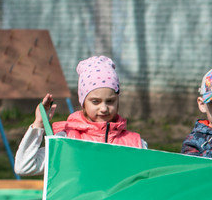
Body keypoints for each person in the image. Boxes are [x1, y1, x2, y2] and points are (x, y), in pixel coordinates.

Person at [15, 55, 147, 176]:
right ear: (83, 102)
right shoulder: (68, 141)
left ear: (118, 99)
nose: (104, 108)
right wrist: (38, 124)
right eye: (95, 101)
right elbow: (24, 167)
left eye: (110, 101)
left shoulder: (135, 144)